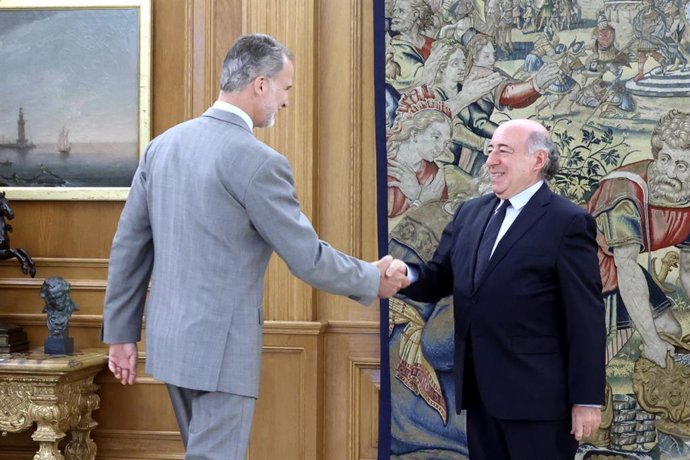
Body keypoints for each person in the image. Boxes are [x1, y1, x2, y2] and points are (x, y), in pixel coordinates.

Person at [101, 34, 407, 459]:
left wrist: (121, 333)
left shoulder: (162, 147)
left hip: (170, 342)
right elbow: (307, 257)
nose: (285, 101)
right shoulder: (258, 161)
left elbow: (129, 247)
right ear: (260, 84)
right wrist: (371, 279)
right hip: (221, 348)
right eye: (286, 88)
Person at [385, 119, 606, 459]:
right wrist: (404, 275)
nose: (490, 160)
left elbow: (586, 317)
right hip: (480, 397)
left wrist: (587, 400)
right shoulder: (470, 213)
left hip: (540, 404)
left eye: (504, 150)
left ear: (537, 161)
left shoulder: (568, 222)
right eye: (490, 150)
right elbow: (437, 280)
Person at [586, 109, 687, 368]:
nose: (669, 172)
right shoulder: (625, 191)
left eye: (682, 166)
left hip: (617, 263)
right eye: (664, 159)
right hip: (587, 264)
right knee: (601, 353)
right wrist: (651, 341)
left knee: (669, 330)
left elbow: (688, 269)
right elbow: (626, 266)